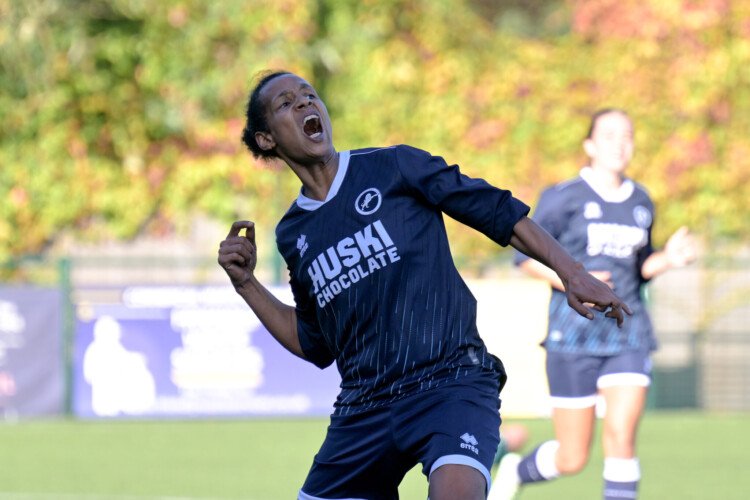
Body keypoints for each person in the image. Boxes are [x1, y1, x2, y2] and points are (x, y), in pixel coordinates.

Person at [217, 71, 631, 500]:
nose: (305, 104)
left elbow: (496, 210)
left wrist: (572, 273)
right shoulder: (294, 233)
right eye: (286, 103)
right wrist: (246, 284)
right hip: (364, 409)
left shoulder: (394, 166)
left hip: (450, 381)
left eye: (309, 95)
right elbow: (315, 343)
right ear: (267, 139)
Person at [489, 108, 697, 500]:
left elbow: (641, 267)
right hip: (572, 336)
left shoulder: (641, 201)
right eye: (610, 135)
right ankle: (517, 470)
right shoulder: (562, 197)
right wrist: (572, 280)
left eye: (628, 135)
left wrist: (669, 258)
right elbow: (523, 258)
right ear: (589, 145)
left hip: (628, 334)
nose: (620, 143)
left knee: (620, 436)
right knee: (572, 457)